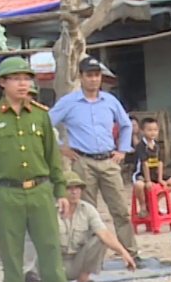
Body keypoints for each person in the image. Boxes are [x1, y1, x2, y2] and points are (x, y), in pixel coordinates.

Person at [0, 57, 79, 282]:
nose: (23, 83)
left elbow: (52, 157)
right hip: (6, 192)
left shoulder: (40, 114)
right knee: (11, 255)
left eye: (26, 78)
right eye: (16, 78)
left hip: (41, 190)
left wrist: (60, 190)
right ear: (3, 83)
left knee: (50, 251)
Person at [49, 57, 143, 268]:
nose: (93, 79)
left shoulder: (110, 101)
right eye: (89, 75)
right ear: (80, 77)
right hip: (82, 161)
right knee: (86, 211)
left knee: (120, 209)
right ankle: (90, 259)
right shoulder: (69, 101)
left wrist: (122, 150)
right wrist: (60, 146)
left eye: (96, 75)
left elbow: (126, 125)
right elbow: (46, 123)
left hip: (108, 160)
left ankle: (132, 253)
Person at [57, 176, 136, 282]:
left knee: (100, 240)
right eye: (69, 188)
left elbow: (104, 233)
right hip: (55, 263)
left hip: (77, 261)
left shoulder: (87, 209)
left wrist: (123, 252)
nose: (74, 192)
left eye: (77, 188)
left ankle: (83, 281)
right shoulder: (50, 210)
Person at [131, 117, 171, 212]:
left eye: (155, 130)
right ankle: (143, 206)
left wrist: (160, 179)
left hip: (155, 173)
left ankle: (154, 201)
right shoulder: (141, 146)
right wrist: (148, 180)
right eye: (149, 130)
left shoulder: (157, 145)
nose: (153, 132)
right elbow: (144, 164)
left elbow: (160, 162)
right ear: (142, 131)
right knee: (139, 185)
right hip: (141, 174)